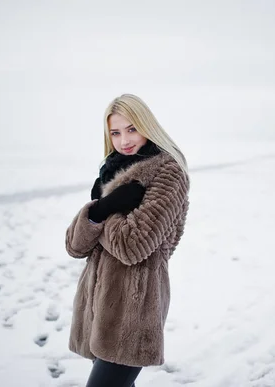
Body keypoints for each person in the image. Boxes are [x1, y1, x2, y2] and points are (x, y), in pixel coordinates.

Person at [65, 94, 190, 387]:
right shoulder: (113, 171)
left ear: (148, 125)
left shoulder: (168, 172)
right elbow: (75, 246)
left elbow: (133, 246)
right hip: (98, 309)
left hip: (133, 312)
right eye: (116, 132)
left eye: (132, 129)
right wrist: (103, 206)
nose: (124, 140)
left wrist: (105, 211)